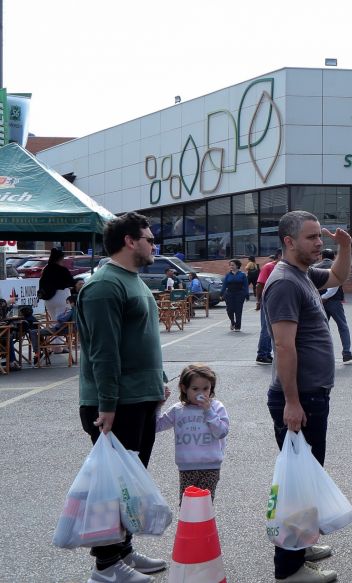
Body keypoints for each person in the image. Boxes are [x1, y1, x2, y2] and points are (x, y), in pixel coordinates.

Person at [76, 211, 169, 582]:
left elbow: (144, 340)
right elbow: (104, 352)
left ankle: (123, 553)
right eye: (148, 239)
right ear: (130, 242)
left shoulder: (133, 281)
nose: (153, 245)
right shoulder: (103, 286)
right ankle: (106, 566)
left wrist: (158, 379)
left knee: (128, 486)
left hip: (139, 397)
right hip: (117, 404)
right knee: (114, 489)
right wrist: (108, 405)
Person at [262, 211, 351, 582]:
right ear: (289, 241)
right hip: (300, 399)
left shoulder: (302, 275)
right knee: (298, 485)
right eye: (313, 238)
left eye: (321, 237)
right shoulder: (285, 282)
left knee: (306, 479)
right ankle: (290, 569)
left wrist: (344, 247)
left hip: (311, 395)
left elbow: (337, 276)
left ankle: (300, 543)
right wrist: (293, 402)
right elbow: (283, 346)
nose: (320, 244)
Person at [156, 364, 230, 500]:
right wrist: (159, 405)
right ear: (184, 388)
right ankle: (186, 522)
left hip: (210, 466)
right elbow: (157, 426)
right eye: (195, 389)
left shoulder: (216, 407)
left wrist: (209, 412)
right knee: (187, 505)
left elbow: (221, 432)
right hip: (186, 467)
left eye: (206, 388)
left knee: (204, 505)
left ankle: (205, 522)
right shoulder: (178, 410)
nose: (201, 393)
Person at [316, 249, 352, 363]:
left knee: (322, 328)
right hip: (334, 301)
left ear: (322, 256)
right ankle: (346, 352)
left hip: (320, 302)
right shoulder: (335, 267)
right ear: (334, 257)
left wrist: (321, 298)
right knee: (342, 326)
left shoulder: (316, 267)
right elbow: (335, 285)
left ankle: (324, 354)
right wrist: (326, 296)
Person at [255, 252, 280, 365]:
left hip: (281, 301)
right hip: (269, 300)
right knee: (266, 328)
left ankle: (267, 353)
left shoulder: (288, 267)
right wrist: (258, 301)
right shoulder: (269, 267)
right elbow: (259, 284)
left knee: (275, 329)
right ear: (279, 256)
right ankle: (262, 354)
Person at [38, 247, 75, 317]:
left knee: (54, 322)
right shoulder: (63, 270)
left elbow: (42, 283)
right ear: (61, 258)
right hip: (62, 296)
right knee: (63, 322)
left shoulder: (46, 269)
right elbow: (71, 282)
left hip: (48, 299)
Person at [222, 259, 250, 331]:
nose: (231, 266)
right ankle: (232, 322)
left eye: (232, 265)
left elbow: (246, 285)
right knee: (229, 310)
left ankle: (238, 326)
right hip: (229, 294)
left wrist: (246, 295)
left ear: (237, 266)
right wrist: (221, 293)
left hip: (239, 294)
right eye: (230, 265)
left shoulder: (242, 275)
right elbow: (224, 285)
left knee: (238, 311)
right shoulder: (228, 275)